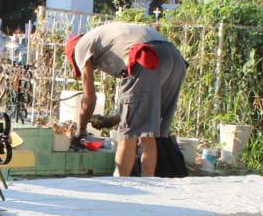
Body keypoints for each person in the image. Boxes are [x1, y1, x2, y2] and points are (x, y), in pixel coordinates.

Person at [65, 22, 188, 177]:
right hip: (174, 59)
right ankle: (148, 183)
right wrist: (112, 120)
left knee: (128, 135)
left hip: (146, 56)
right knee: (148, 133)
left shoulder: (80, 47)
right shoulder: (106, 38)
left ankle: (120, 186)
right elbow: (141, 106)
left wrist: (80, 131)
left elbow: (89, 99)